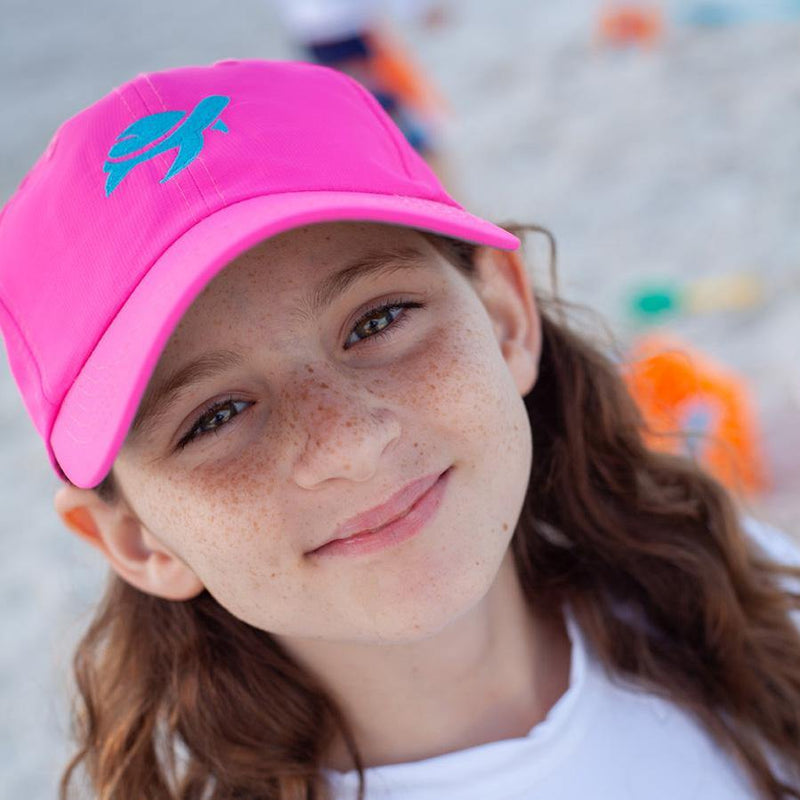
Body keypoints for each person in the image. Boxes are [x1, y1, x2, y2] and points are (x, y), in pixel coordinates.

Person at [1, 59, 799, 800]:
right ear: (136, 540)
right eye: (214, 415)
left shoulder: (740, 594)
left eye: (378, 320)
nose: (347, 442)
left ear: (506, 318)